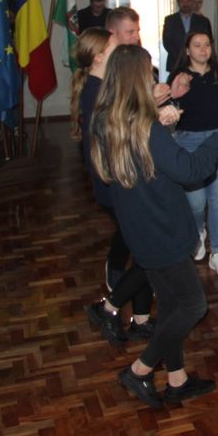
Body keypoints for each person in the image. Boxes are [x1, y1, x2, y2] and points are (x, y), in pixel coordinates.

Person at [90, 45, 218, 409]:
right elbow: (189, 171)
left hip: (141, 231)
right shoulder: (146, 130)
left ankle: (177, 380)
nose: (153, 80)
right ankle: (139, 370)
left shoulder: (109, 121)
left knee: (172, 305)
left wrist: (158, 118)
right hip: (163, 232)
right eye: (149, 74)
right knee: (193, 305)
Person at [73, 29, 162, 346]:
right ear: (99, 57)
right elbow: (118, 138)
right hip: (117, 188)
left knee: (143, 252)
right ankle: (108, 307)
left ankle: (141, 319)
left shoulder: (101, 88)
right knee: (148, 254)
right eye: (114, 47)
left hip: (119, 186)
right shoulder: (97, 93)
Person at [168, 31, 218, 276]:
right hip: (189, 141)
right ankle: (198, 231)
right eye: (197, 45)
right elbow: (166, 106)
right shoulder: (179, 76)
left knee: (217, 199)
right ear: (187, 50)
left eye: (207, 44)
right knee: (196, 202)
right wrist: (173, 96)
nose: (203, 49)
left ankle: (217, 252)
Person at [162, 0, 213, 73]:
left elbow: (209, 41)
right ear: (178, 2)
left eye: (188, 1)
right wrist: (182, 58)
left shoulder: (203, 21)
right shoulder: (170, 20)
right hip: (176, 64)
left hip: (198, 64)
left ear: (192, 2)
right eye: (182, 1)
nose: (185, 4)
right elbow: (167, 42)